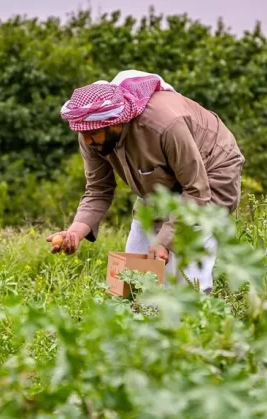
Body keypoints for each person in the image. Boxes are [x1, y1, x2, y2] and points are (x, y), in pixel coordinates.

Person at [47, 70, 244, 293]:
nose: (85, 140)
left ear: (115, 123)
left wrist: (164, 242)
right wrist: (74, 233)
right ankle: (137, 320)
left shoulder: (164, 126)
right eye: (81, 133)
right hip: (161, 183)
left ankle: (193, 320)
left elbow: (196, 191)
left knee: (185, 279)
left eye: (91, 133)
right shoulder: (92, 135)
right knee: (130, 275)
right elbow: (98, 191)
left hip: (211, 172)